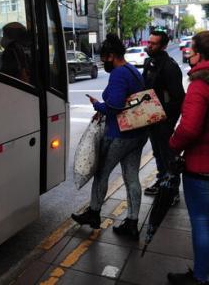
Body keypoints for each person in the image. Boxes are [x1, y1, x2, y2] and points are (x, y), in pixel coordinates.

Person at [71, 34, 148, 240]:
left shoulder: (118, 74)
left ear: (112, 56)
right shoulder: (132, 70)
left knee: (101, 173)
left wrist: (98, 105)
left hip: (120, 135)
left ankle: (94, 214)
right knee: (131, 177)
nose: (103, 62)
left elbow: (114, 106)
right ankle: (132, 222)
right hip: (138, 132)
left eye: (105, 58)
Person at [167, 31, 209, 285]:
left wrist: (173, 144)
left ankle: (201, 276)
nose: (188, 53)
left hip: (202, 168)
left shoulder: (200, 84)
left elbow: (190, 128)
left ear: (201, 54)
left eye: (191, 49)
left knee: (202, 222)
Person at [143, 30, 185, 199]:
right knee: (157, 153)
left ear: (163, 46)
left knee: (168, 154)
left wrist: (165, 119)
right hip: (150, 118)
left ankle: (172, 189)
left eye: (154, 44)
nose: (149, 46)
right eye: (149, 42)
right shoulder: (149, 62)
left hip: (164, 120)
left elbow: (178, 98)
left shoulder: (170, 67)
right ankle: (162, 180)